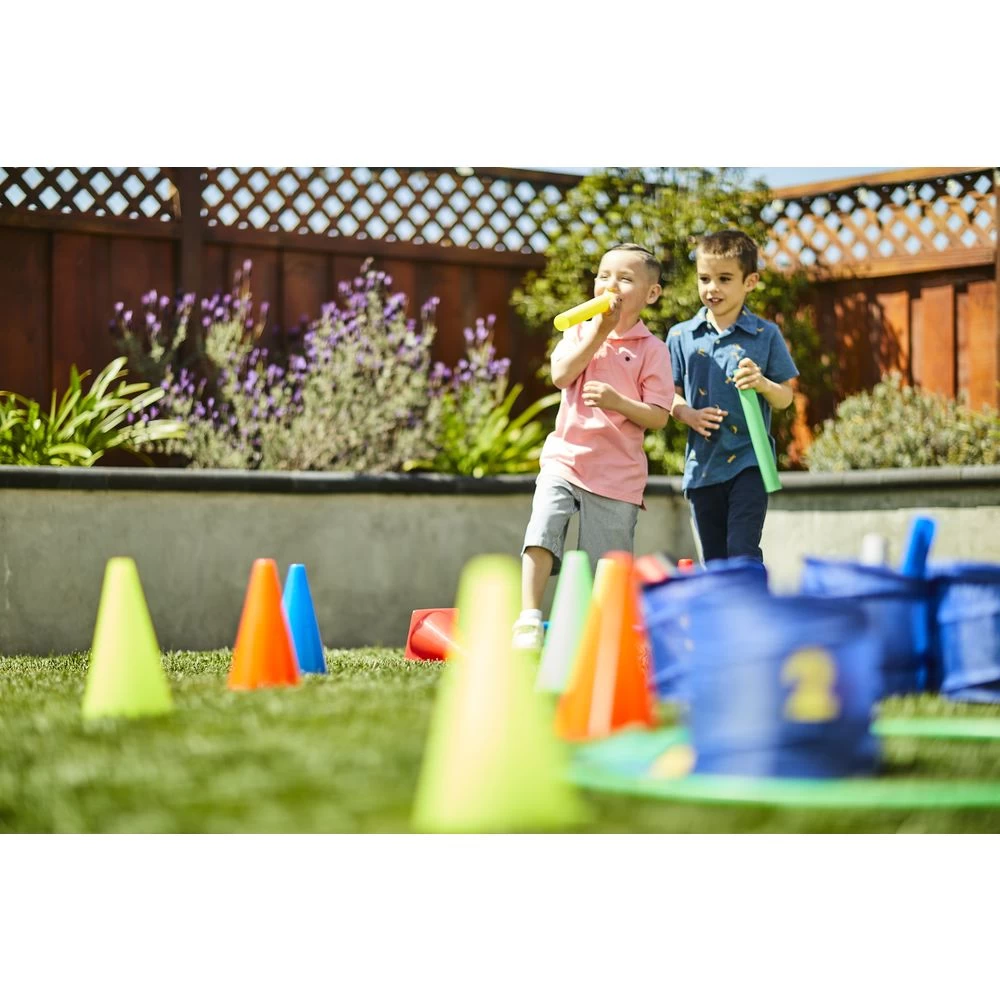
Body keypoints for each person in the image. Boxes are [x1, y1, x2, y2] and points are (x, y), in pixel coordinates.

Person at [512, 243, 675, 651]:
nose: (610, 284)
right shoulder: (580, 330)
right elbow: (561, 375)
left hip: (617, 475)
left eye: (625, 278)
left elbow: (658, 416)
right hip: (565, 458)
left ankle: (593, 639)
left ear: (651, 294)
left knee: (607, 566)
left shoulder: (653, 350)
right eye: (604, 275)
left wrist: (618, 402)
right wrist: (600, 331)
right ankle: (528, 619)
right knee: (544, 526)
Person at [667, 229, 799, 564]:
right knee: (715, 561)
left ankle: (753, 598)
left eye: (724, 279)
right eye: (704, 278)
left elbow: (785, 397)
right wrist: (687, 414)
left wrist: (763, 384)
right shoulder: (681, 336)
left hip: (749, 463)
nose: (712, 288)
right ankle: (725, 600)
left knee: (742, 551)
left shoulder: (765, 334)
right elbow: (668, 395)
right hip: (702, 468)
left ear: (750, 282)